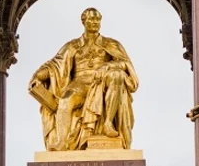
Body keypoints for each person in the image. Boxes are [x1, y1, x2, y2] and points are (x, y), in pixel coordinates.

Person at [29, 8, 138, 151]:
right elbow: (54, 66)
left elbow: (126, 64)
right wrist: (37, 76)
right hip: (79, 84)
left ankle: (108, 123)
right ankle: (62, 142)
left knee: (117, 75)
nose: (95, 22)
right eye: (91, 19)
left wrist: (108, 66)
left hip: (101, 82)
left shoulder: (111, 44)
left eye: (97, 19)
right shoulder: (72, 45)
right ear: (83, 21)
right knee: (66, 101)